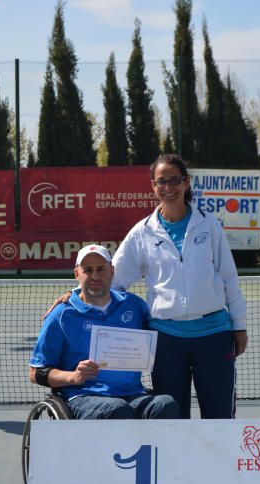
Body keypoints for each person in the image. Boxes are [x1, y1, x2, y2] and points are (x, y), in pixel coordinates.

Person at [112, 153, 248, 419]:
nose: (168, 188)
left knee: (219, 417)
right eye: (161, 182)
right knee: (172, 418)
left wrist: (239, 325)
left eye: (174, 180)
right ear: (153, 186)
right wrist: (75, 297)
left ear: (186, 183)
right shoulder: (142, 232)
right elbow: (114, 280)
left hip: (214, 336)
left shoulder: (209, 225)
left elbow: (229, 277)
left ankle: (219, 463)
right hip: (166, 341)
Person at [29, 244, 180, 420]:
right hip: (83, 397)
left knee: (166, 405)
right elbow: (35, 373)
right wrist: (73, 377)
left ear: (112, 271)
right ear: (77, 274)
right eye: (88, 270)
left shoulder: (134, 305)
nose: (95, 276)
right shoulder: (61, 315)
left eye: (101, 269)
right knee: (117, 409)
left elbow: (160, 337)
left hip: (133, 394)